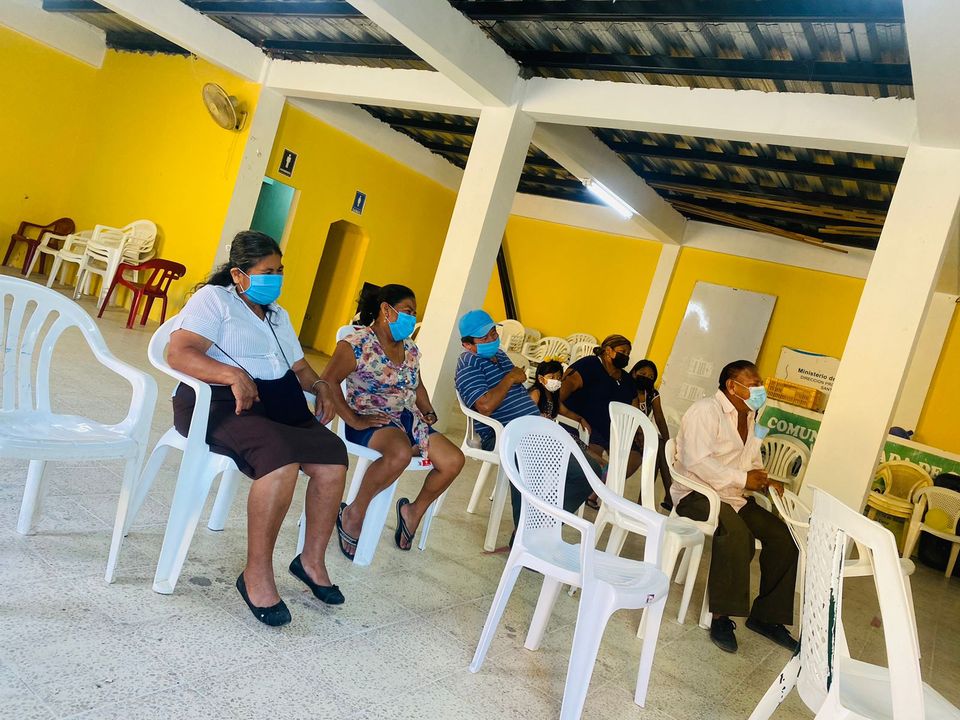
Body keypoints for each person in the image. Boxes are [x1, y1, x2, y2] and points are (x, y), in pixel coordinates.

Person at [168, 231, 348, 627]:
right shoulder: (214, 301)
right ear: (239, 274)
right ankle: (256, 574)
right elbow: (178, 352)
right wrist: (230, 374)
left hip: (276, 405)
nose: (277, 279)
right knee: (280, 460)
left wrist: (320, 386)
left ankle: (310, 561)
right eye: (268, 272)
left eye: (280, 270)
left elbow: (299, 367)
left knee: (333, 457)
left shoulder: (278, 315)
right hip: (220, 404)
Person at [323, 284, 464, 559]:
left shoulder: (410, 348)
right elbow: (328, 381)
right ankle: (353, 513)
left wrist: (428, 410)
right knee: (400, 453)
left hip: (407, 418)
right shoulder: (357, 344)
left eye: (414, 313)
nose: (412, 318)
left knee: (453, 460)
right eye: (407, 311)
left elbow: (417, 385)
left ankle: (413, 512)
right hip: (370, 417)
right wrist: (353, 419)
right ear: (386, 310)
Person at [672, 360, 799, 654]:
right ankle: (720, 618)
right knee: (737, 535)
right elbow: (697, 462)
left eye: (760, 384)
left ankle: (766, 617)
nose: (760, 390)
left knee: (784, 538)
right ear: (732, 386)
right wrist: (743, 479)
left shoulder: (749, 415)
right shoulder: (706, 411)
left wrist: (764, 480)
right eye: (753, 384)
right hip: (696, 494)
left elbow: (749, 462)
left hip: (732, 496)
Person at [454, 310, 597, 537]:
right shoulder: (468, 364)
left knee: (590, 471)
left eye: (493, 333)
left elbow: (518, 396)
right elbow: (485, 406)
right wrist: (510, 378)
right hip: (503, 434)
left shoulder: (500, 356)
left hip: (534, 428)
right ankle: (526, 534)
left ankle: (536, 525)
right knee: (530, 463)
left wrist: (537, 417)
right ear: (468, 345)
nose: (492, 339)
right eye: (484, 338)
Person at [560, 335, 642, 508]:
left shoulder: (626, 380)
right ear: (607, 351)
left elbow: (634, 410)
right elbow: (562, 393)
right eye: (622, 352)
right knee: (595, 452)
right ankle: (589, 487)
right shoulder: (589, 365)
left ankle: (601, 487)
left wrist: (638, 432)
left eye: (628, 353)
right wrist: (573, 416)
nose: (626, 356)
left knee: (635, 456)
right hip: (585, 426)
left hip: (612, 431)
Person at [630, 360, 674, 510]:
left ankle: (646, 501)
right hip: (626, 431)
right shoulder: (628, 388)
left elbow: (659, 418)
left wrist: (668, 442)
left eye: (650, 377)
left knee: (660, 447)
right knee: (657, 447)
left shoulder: (652, 393)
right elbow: (634, 415)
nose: (646, 378)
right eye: (643, 374)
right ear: (634, 372)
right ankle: (668, 495)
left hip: (641, 434)